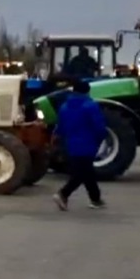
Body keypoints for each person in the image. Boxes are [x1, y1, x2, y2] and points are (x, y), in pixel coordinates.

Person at [52, 79, 108, 211]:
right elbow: (99, 127)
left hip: (71, 144)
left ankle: (96, 199)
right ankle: (63, 193)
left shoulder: (64, 107)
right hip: (88, 144)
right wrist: (100, 139)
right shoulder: (91, 106)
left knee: (87, 172)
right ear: (88, 91)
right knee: (82, 174)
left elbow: (61, 128)